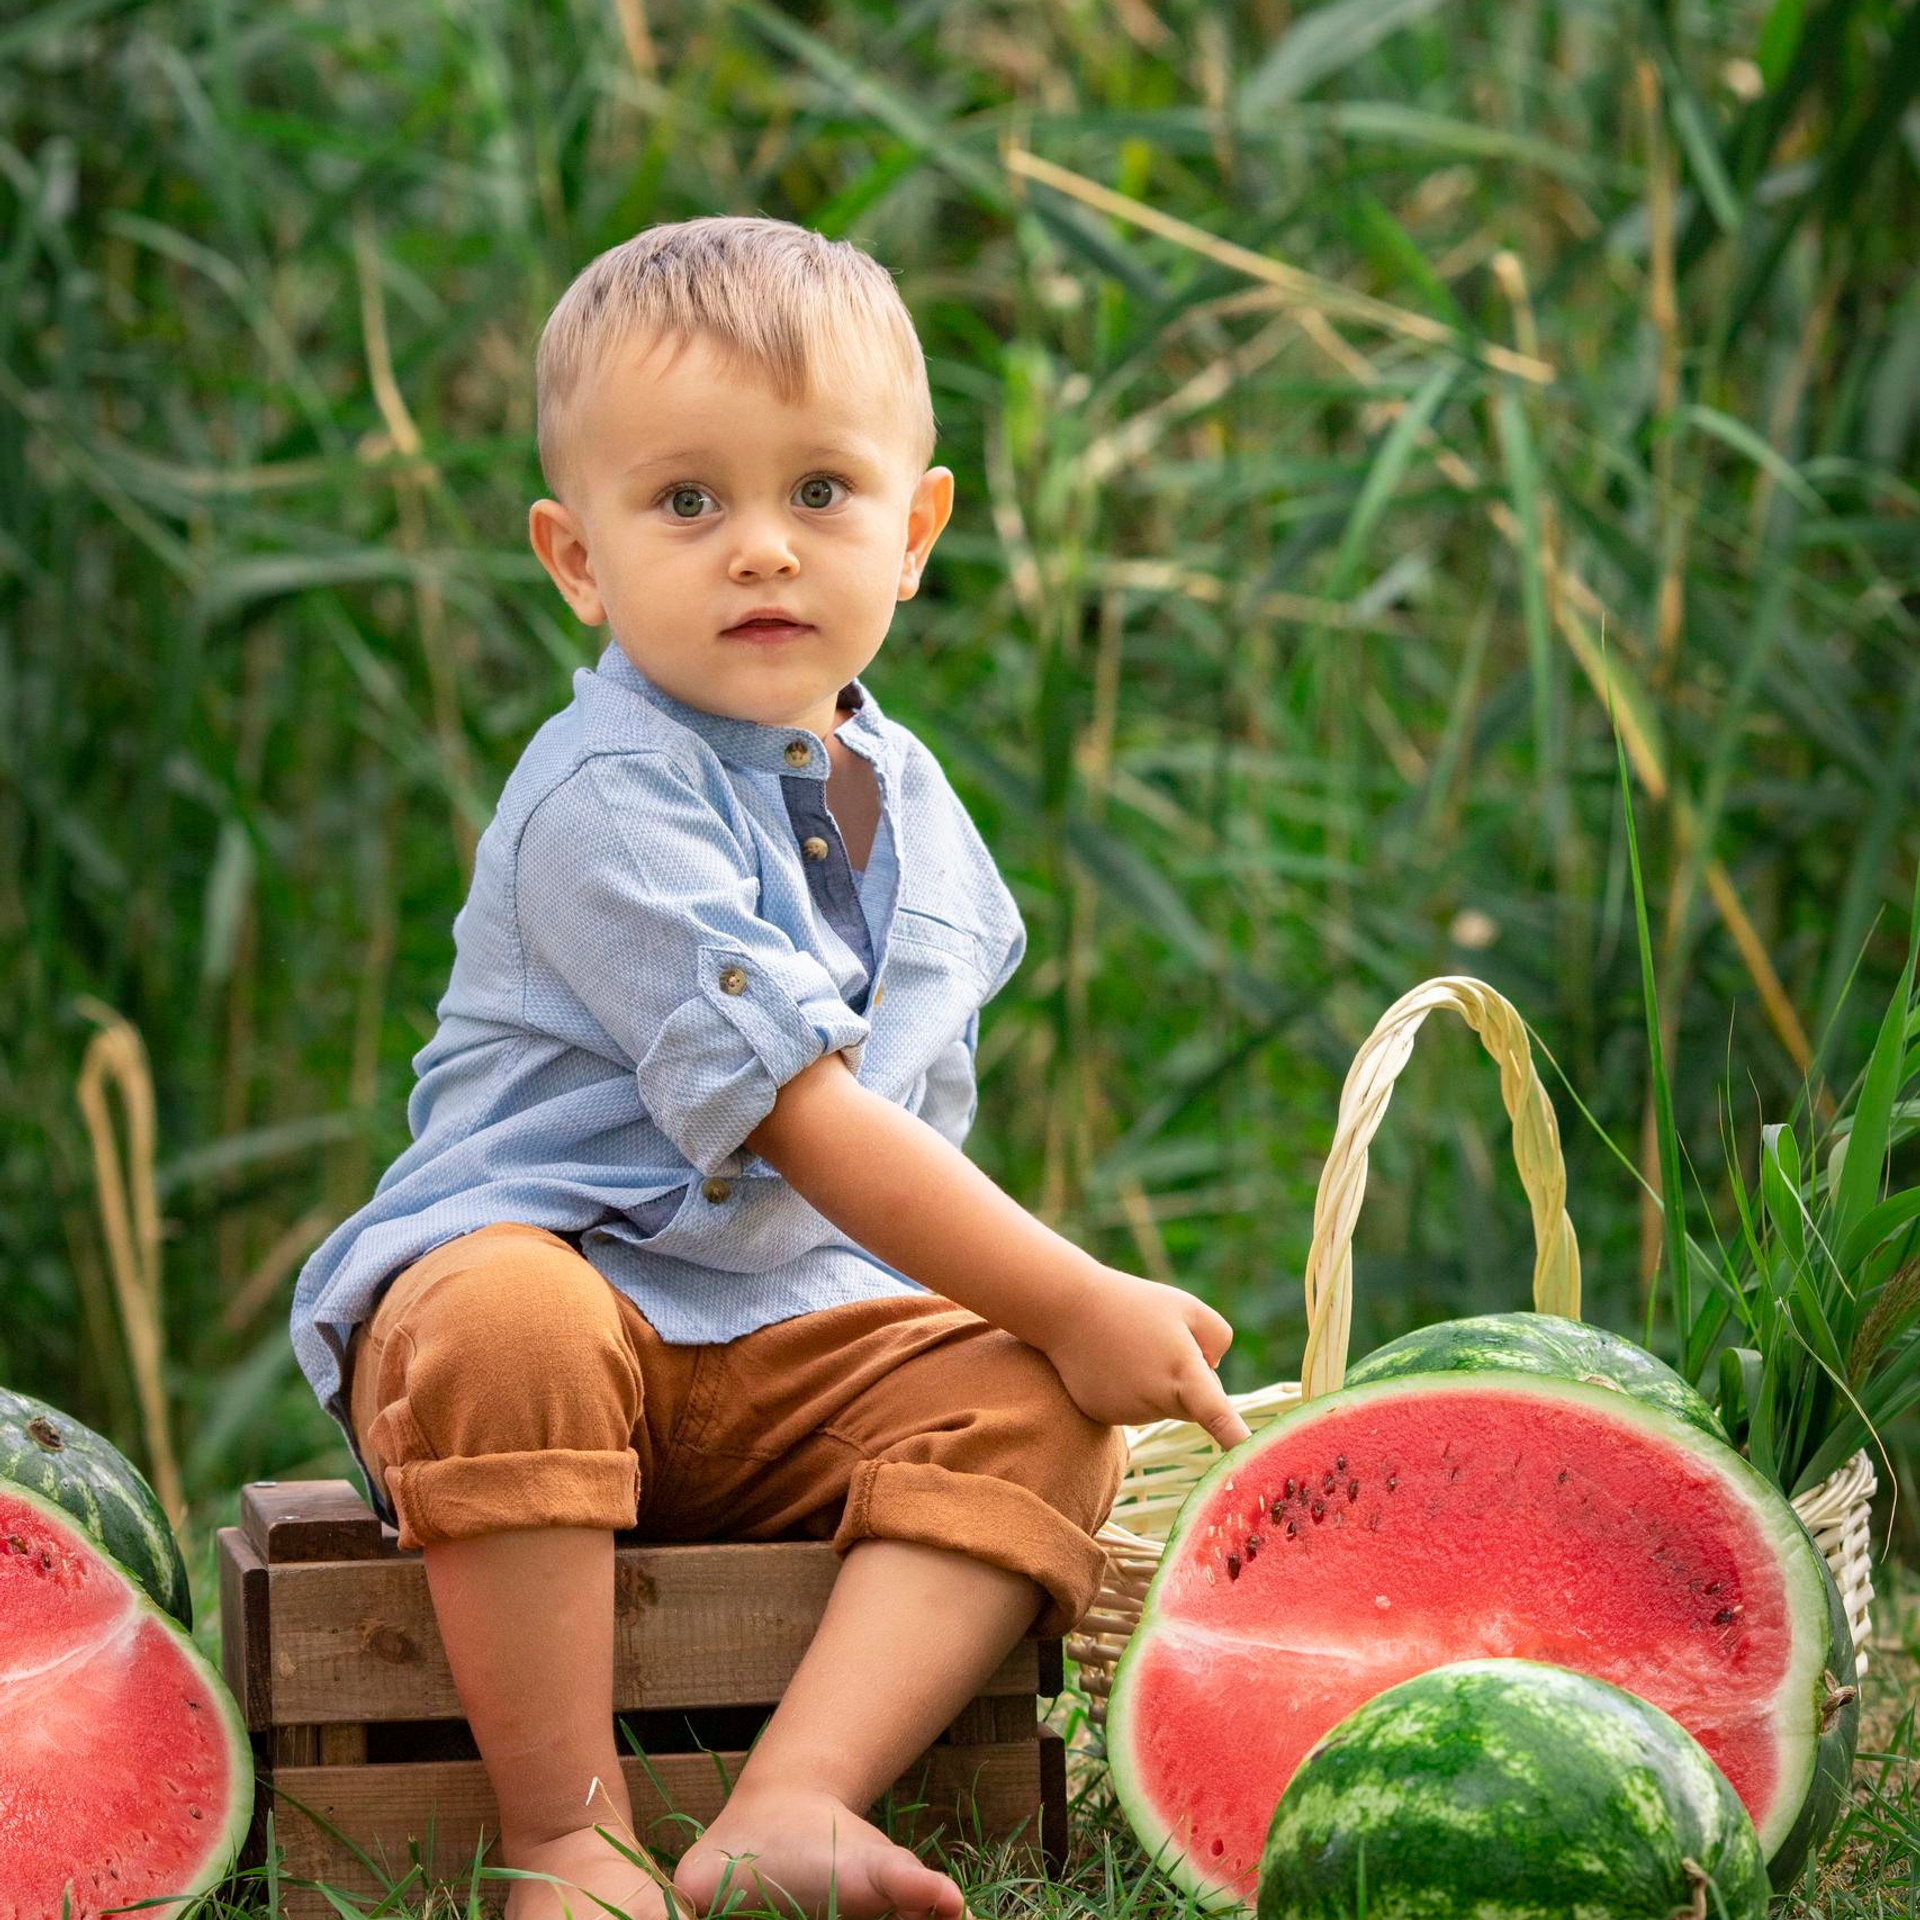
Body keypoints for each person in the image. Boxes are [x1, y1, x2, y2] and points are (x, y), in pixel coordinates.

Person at [288, 214, 1250, 1920]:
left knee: (1038, 1401)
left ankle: (791, 1802)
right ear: (575, 559)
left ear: (917, 529)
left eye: (819, 494)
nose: (762, 553)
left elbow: (898, 1152)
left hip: (793, 1343)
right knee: (502, 1320)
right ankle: (569, 1830)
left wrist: (1050, 1336)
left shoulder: (921, 806)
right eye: (686, 504)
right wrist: (1078, 1283)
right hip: (564, 1319)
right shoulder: (607, 797)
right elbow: (810, 1122)